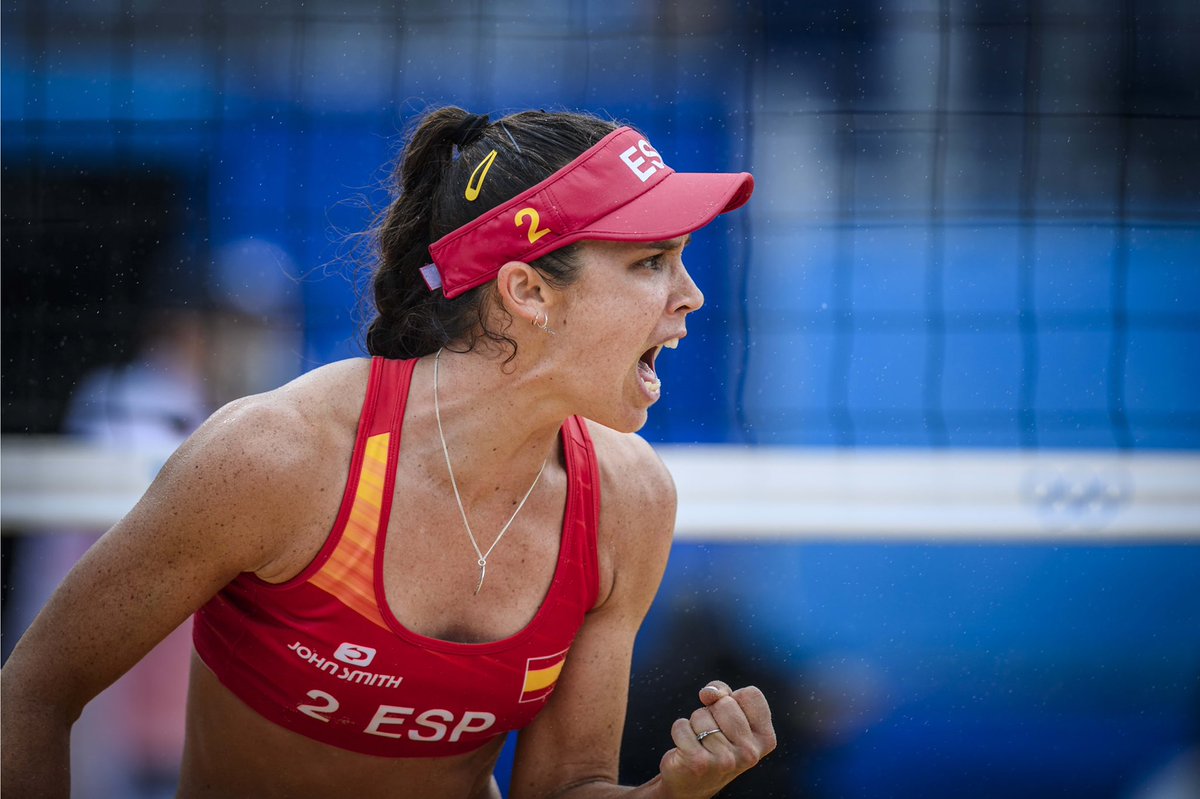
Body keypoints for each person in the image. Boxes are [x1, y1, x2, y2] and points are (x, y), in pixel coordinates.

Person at [1, 107, 775, 798]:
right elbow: (32, 693)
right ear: (528, 291)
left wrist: (666, 796)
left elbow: (565, 784)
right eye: (651, 262)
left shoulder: (630, 501)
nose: (690, 294)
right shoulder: (281, 457)